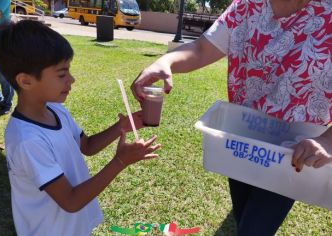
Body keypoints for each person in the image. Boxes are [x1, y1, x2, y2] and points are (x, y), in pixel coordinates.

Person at [131, 0, 332, 235]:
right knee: (243, 217)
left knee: (253, 230)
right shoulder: (246, 6)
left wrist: (327, 140)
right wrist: (165, 61)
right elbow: (201, 49)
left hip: (292, 153)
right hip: (241, 142)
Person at [0, 20, 161, 236]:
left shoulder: (55, 110)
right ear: (25, 81)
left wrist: (121, 126)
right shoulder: (27, 140)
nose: (71, 79)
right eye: (62, 74)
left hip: (72, 227)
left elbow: (87, 146)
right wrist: (120, 162)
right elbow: (70, 201)